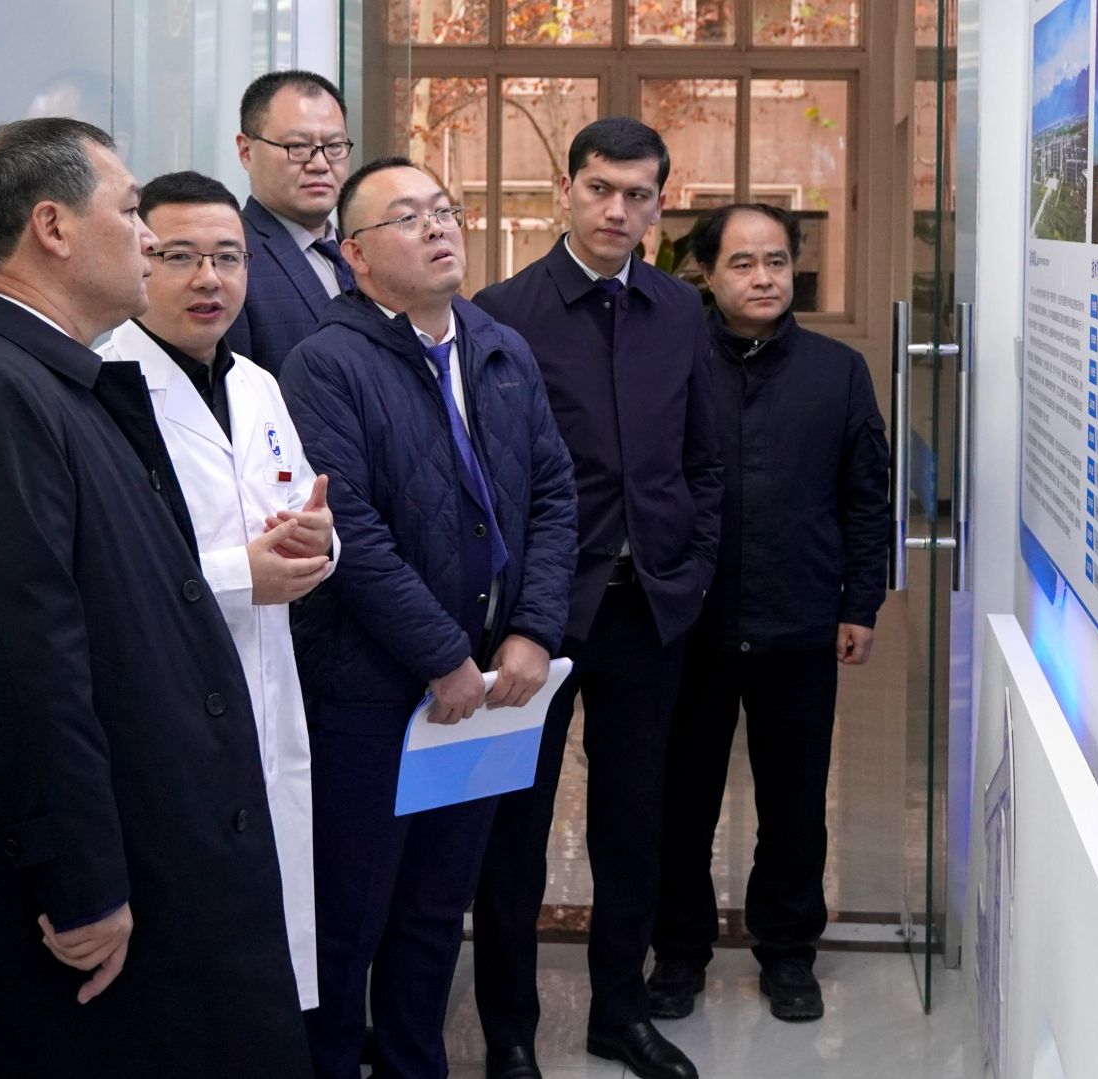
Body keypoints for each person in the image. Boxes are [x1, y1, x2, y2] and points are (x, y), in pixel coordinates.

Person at [0, 118, 311, 1079]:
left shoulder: (51, 381)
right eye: (132, 210)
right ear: (53, 227)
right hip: (51, 915)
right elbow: (19, 661)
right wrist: (83, 880)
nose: (147, 237)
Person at [279, 157, 577, 1079]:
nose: (438, 226)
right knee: (350, 914)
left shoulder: (498, 346)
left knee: (437, 908)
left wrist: (532, 630)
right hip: (373, 690)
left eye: (444, 209)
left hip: (483, 688)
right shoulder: (325, 363)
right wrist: (442, 655)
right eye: (407, 217)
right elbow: (350, 532)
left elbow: (554, 494)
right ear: (356, 255)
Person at [471, 118, 722, 1079]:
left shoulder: (681, 310)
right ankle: (510, 1031)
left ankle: (621, 1011)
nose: (617, 209)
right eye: (600, 189)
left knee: (633, 819)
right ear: (565, 191)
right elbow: (486, 475)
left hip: (648, 607)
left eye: (637, 194)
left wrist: (691, 567)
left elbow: (702, 457)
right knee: (514, 827)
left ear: (660, 204)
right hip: (535, 615)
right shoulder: (500, 314)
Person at [97, 169, 338, 1019]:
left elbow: (301, 511)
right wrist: (243, 573)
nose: (210, 279)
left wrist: (321, 542)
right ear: (139, 257)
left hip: (267, 689)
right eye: (181, 256)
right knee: (182, 965)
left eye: (228, 258)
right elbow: (109, 573)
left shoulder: (258, 385)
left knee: (261, 957)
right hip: (166, 703)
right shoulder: (103, 388)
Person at [648, 203, 890, 1024]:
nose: (763, 278)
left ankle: (788, 952)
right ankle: (678, 950)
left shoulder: (838, 371)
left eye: (777, 262)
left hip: (799, 621)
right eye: (743, 263)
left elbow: (867, 498)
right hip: (692, 627)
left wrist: (861, 602)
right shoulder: (674, 367)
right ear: (707, 274)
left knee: (795, 802)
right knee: (682, 801)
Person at [227, 69, 357, 378]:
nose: (320, 164)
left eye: (334, 146)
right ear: (246, 151)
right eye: (298, 146)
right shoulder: (232, 260)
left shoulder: (362, 257)